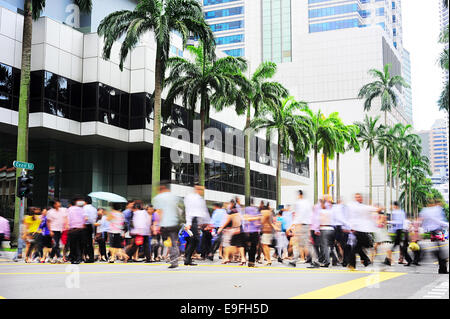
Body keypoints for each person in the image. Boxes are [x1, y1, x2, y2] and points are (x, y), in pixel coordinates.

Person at [152, 183, 181, 269]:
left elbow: (160, 212)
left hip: (166, 224)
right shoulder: (174, 197)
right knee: (173, 243)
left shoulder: (159, 198)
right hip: (175, 224)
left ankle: (173, 260)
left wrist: (158, 225)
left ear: (162, 188)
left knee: (168, 243)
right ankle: (174, 261)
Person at [346, 193, 378, 270]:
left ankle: (363, 262)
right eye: (356, 197)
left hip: (362, 229)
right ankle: (359, 263)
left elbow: (368, 209)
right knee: (358, 247)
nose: (358, 198)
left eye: (359, 197)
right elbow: (351, 216)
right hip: (358, 229)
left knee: (358, 247)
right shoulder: (355, 206)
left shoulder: (361, 206)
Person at [184, 185, 211, 266]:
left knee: (194, 240)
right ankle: (187, 258)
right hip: (193, 221)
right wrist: (188, 223)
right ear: (196, 189)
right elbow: (188, 210)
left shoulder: (200, 199)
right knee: (194, 240)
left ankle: (188, 258)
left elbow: (204, 211)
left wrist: (206, 222)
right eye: (200, 189)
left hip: (197, 222)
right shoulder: (191, 197)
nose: (201, 191)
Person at [419, 199, 449, 274]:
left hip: (433, 230)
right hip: (436, 230)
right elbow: (438, 221)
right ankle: (442, 268)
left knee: (439, 249)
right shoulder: (436, 210)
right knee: (440, 250)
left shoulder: (425, 210)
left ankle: (442, 267)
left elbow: (421, 220)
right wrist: (446, 224)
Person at [288, 190, 314, 267]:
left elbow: (299, 215)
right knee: (302, 244)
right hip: (306, 224)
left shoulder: (299, 203)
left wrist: (296, 225)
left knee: (302, 244)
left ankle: (314, 261)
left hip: (301, 225)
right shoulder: (308, 203)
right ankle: (295, 260)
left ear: (300, 195)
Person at [218, 199, 246, 265]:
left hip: (232, 230)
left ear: (232, 204)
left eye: (229, 204)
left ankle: (227, 258)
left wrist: (221, 228)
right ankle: (243, 258)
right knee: (239, 245)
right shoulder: (238, 211)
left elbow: (227, 220)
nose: (228, 205)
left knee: (226, 244)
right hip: (240, 229)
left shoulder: (231, 212)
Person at [385, 201, 412, 266]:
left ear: (395, 206)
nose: (391, 207)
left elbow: (399, 222)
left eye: (392, 206)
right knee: (400, 246)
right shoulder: (401, 212)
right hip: (401, 231)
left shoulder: (396, 212)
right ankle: (408, 260)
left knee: (397, 246)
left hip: (400, 231)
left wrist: (389, 222)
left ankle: (387, 260)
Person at [243, 199, 262, 267]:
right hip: (253, 231)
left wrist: (252, 218)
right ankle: (251, 262)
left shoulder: (246, 209)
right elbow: (247, 218)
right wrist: (256, 218)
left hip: (248, 230)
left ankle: (248, 260)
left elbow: (246, 218)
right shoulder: (256, 209)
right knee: (253, 247)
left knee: (249, 246)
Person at [67, 198, 87, 264]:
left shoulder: (69, 209)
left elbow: (68, 218)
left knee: (73, 245)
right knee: (80, 244)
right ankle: (79, 258)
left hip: (72, 229)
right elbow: (85, 218)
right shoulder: (81, 209)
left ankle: (73, 259)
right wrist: (83, 224)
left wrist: (67, 226)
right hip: (80, 229)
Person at [83, 197, 97, 263]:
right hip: (91, 226)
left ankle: (84, 256)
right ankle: (91, 257)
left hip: (85, 226)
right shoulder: (94, 209)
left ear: (85, 201)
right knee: (89, 242)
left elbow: (85, 218)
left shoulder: (85, 208)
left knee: (84, 242)